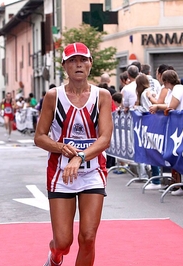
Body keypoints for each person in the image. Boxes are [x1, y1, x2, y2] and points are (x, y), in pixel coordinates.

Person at [34, 42, 112, 266]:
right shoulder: (53, 96)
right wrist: (61, 148)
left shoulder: (102, 96)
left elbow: (105, 138)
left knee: (88, 237)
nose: (78, 64)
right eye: (72, 61)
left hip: (92, 172)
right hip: (61, 175)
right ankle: (54, 256)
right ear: (64, 67)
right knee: (63, 242)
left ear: (90, 64)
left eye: (83, 60)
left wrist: (80, 156)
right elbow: (40, 136)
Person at [149, 70, 183, 195]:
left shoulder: (178, 88)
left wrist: (158, 106)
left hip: (181, 124)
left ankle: (182, 185)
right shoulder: (173, 90)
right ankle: (177, 183)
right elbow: (168, 105)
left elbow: (172, 106)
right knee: (174, 153)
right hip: (176, 125)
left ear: (167, 81)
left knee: (178, 153)